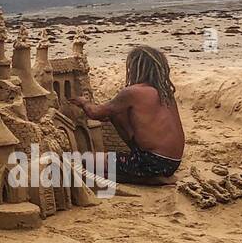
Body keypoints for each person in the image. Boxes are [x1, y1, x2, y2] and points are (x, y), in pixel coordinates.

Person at [73, 46, 185, 185]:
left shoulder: (132, 92)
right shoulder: (165, 93)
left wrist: (83, 103)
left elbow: (95, 113)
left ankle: (146, 178)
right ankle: (147, 174)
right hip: (172, 163)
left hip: (151, 162)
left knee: (84, 163)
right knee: (116, 113)